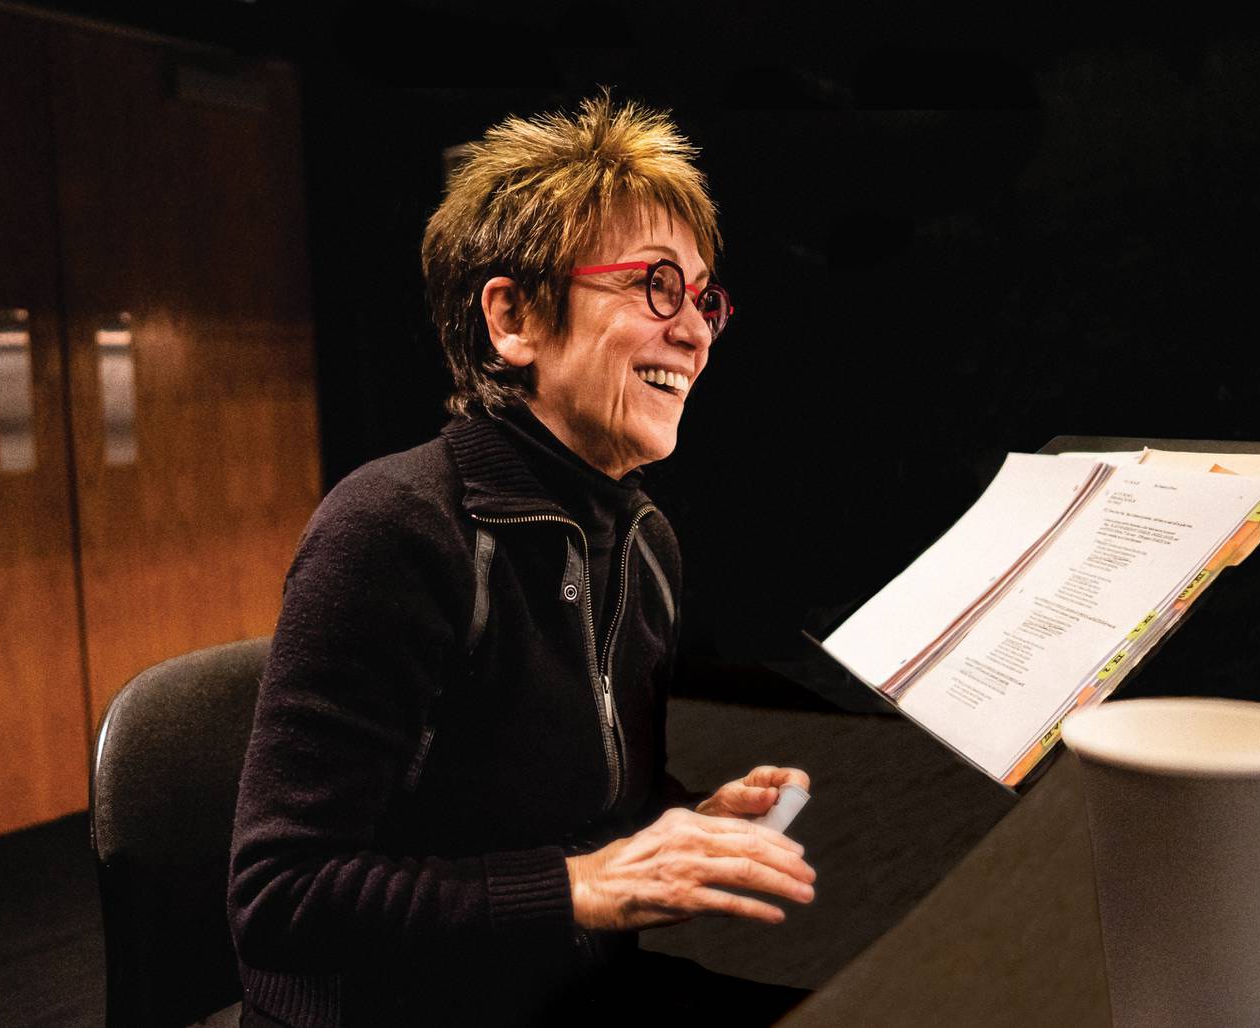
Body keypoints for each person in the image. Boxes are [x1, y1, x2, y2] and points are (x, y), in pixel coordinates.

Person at [227, 92, 818, 1027]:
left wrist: (680, 823)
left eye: (704, 297)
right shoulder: (392, 528)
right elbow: (282, 898)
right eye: (655, 285)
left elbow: (558, 808)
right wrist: (580, 887)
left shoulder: (643, 538)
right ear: (513, 318)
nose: (697, 332)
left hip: (565, 989)